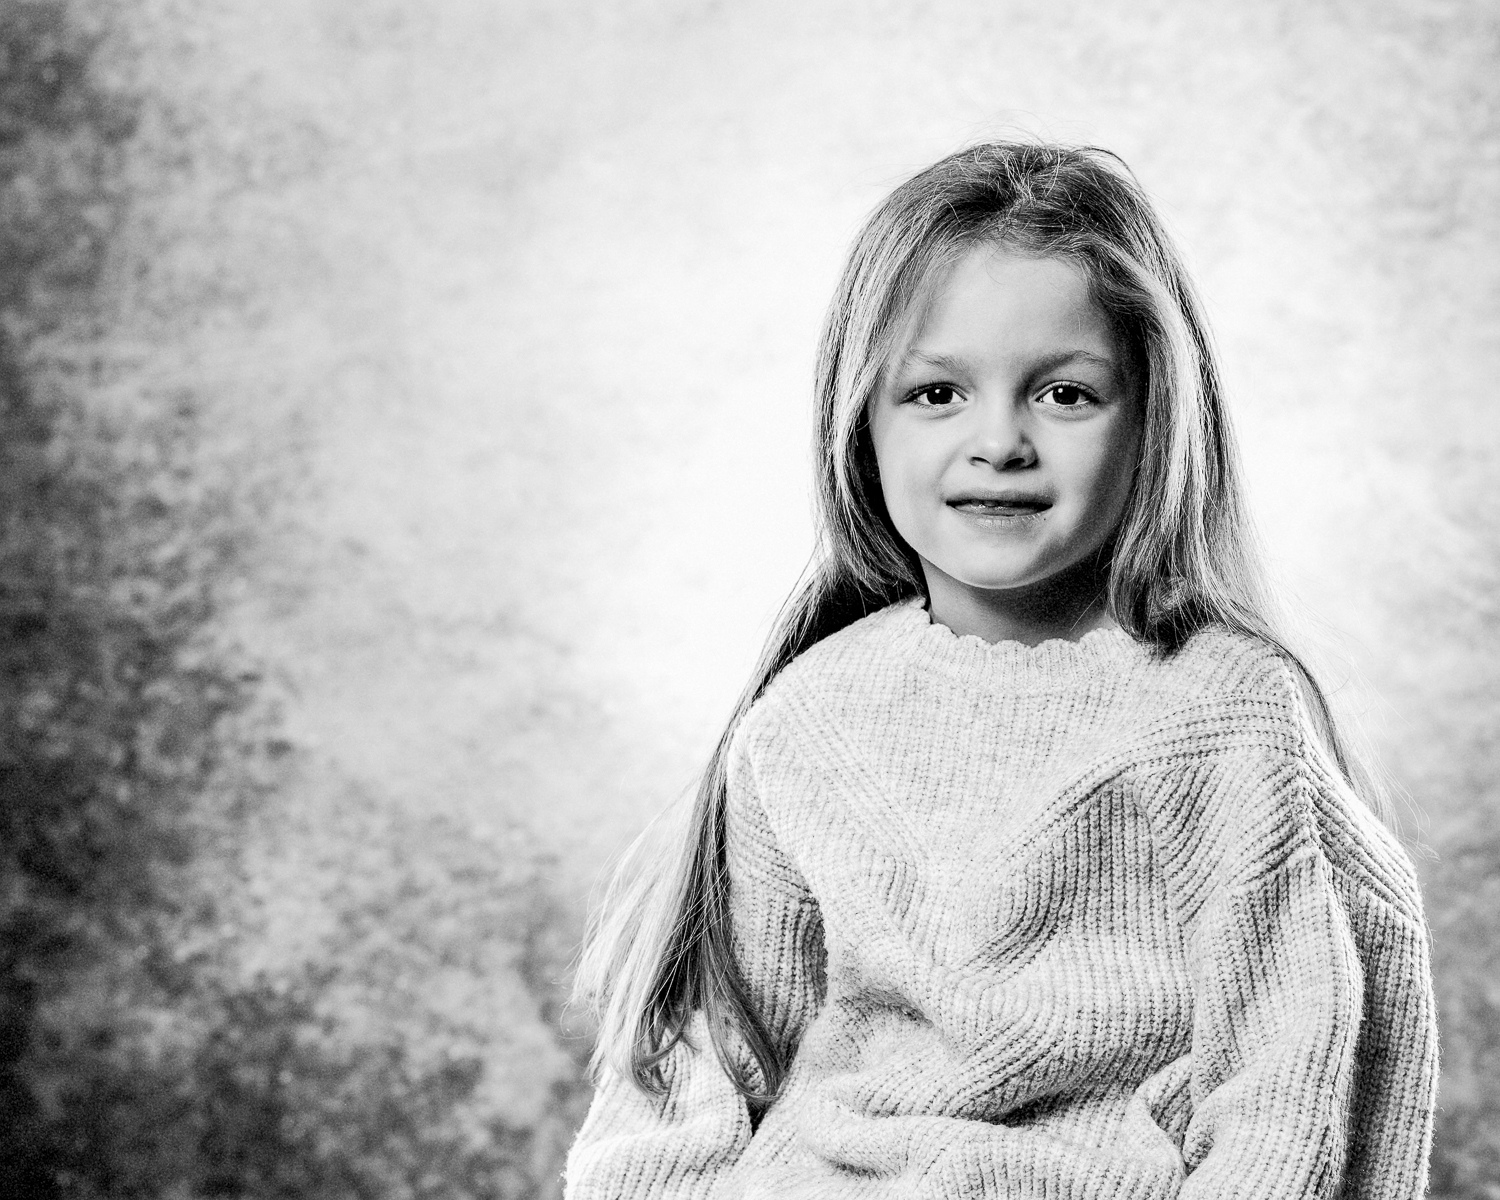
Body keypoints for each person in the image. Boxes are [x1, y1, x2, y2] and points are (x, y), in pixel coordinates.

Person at [563, 142, 1439, 1199]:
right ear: (860, 424)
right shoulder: (805, 719)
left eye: (1066, 395)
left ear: (1155, 420)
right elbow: (707, 1067)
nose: (999, 443)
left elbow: (1283, 1086)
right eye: (937, 392)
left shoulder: (1223, 712)